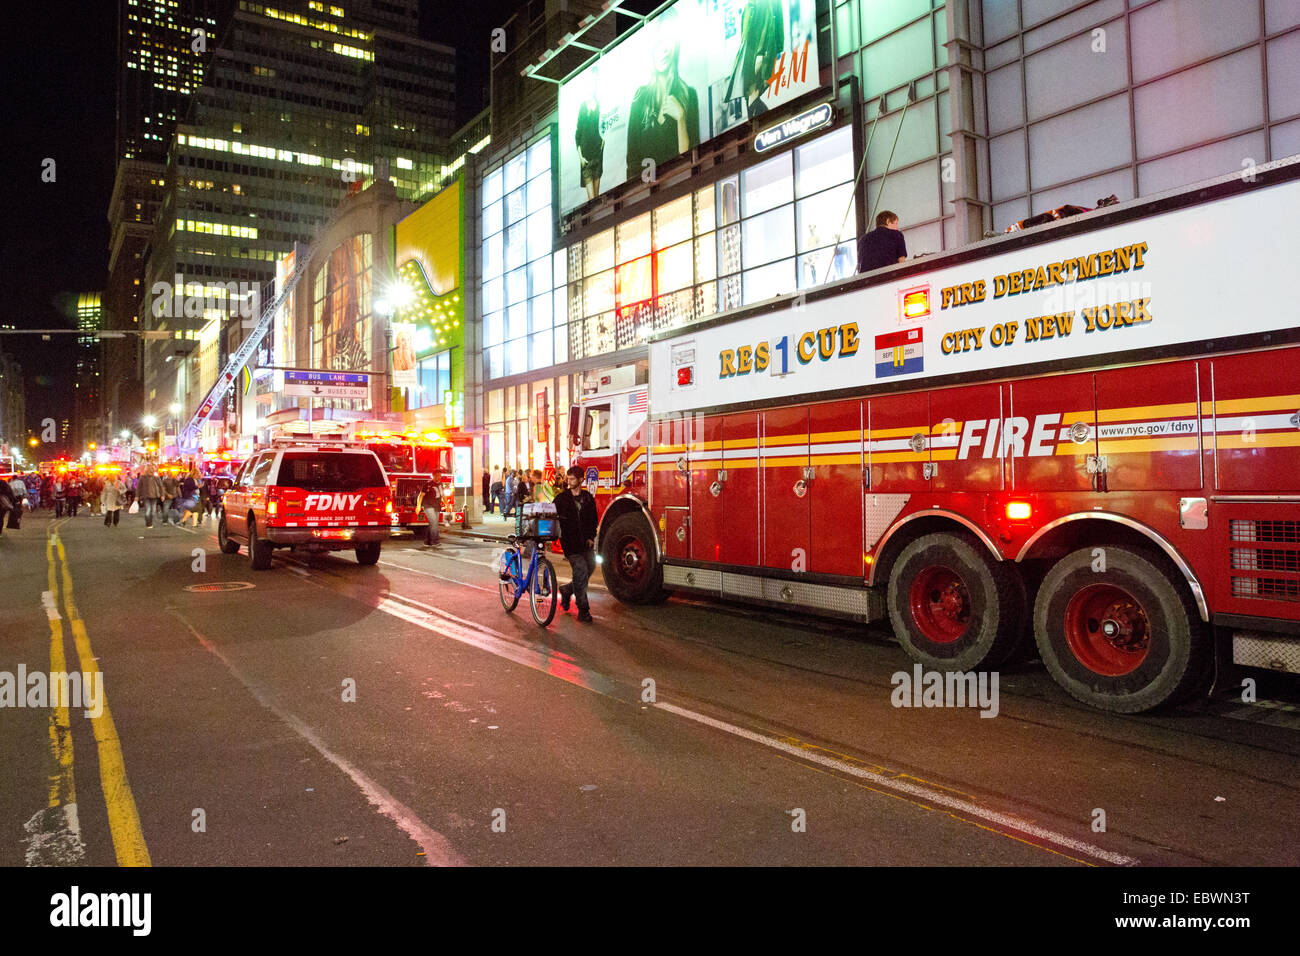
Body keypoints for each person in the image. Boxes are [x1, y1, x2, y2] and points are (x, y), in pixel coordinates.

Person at [625, 8, 700, 184]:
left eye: (669, 42)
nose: (664, 50)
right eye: (659, 42)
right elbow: (632, 163)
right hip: (645, 196)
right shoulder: (640, 98)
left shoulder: (689, 95)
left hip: (682, 185)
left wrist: (681, 120)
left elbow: (693, 160)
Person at [556, 465, 598, 623]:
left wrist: (591, 536)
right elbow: (551, 513)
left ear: (581, 480)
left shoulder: (587, 497)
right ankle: (583, 610)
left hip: (586, 542)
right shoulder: (562, 498)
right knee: (580, 570)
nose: (569, 481)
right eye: (568, 478)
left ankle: (567, 590)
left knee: (590, 568)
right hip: (570, 543)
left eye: (572, 479)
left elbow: (593, 518)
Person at [575, 68, 605, 200]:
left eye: (595, 81)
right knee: (592, 200)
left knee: (597, 198)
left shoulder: (599, 104)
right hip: (586, 158)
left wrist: (603, 140)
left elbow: (600, 126)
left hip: (597, 154)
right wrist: (580, 157)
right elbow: (578, 134)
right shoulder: (583, 106)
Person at [416, 473, 443, 546]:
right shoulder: (427, 485)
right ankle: (435, 541)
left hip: (437, 506)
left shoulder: (441, 484)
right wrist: (418, 506)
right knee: (434, 522)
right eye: (437, 476)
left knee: (433, 523)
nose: (439, 477)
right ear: (433, 476)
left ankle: (427, 541)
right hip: (428, 506)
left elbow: (443, 495)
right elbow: (420, 495)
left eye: (440, 476)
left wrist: (447, 505)